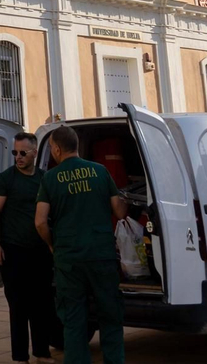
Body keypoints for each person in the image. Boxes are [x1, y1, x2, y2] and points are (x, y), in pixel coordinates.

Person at [35, 124, 128, 364]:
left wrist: (52, 245)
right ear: (75, 145)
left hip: (68, 259)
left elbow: (40, 222)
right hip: (101, 255)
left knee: (74, 319)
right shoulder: (100, 171)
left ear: (56, 149)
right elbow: (119, 211)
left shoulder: (50, 178)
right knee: (110, 315)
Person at [0, 132, 57, 363]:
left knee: (42, 302)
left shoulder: (45, 178)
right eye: (14, 152)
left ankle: (41, 351)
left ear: (35, 153)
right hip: (13, 250)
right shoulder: (5, 179)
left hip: (40, 250)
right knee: (18, 304)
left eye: (22, 153)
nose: (17, 157)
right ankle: (20, 356)